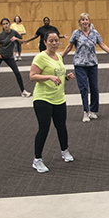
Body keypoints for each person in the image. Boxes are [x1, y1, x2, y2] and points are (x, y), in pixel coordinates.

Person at [61, 13, 109, 122]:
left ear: (89, 21)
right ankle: (86, 111)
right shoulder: (76, 33)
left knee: (94, 87)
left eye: (86, 20)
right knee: (84, 88)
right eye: (82, 20)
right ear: (80, 22)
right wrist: (60, 57)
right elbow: (69, 47)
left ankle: (93, 110)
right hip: (80, 64)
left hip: (92, 64)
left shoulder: (95, 33)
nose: (85, 22)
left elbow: (102, 45)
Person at [29, 31, 76, 173]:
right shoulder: (40, 57)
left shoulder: (59, 57)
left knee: (61, 126)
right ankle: (37, 160)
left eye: (56, 41)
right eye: (51, 41)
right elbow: (32, 76)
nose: (54, 43)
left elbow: (58, 74)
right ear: (45, 42)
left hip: (59, 98)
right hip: (43, 98)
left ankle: (64, 151)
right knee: (44, 127)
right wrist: (49, 77)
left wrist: (66, 77)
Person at [0, 18, 31, 100]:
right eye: (4, 24)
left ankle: (23, 91)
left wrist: (16, 39)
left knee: (17, 72)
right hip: (0, 55)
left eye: (7, 23)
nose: (5, 25)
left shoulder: (14, 32)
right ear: (2, 26)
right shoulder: (0, 35)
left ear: (9, 24)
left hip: (9, 56)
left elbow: (22, 41)